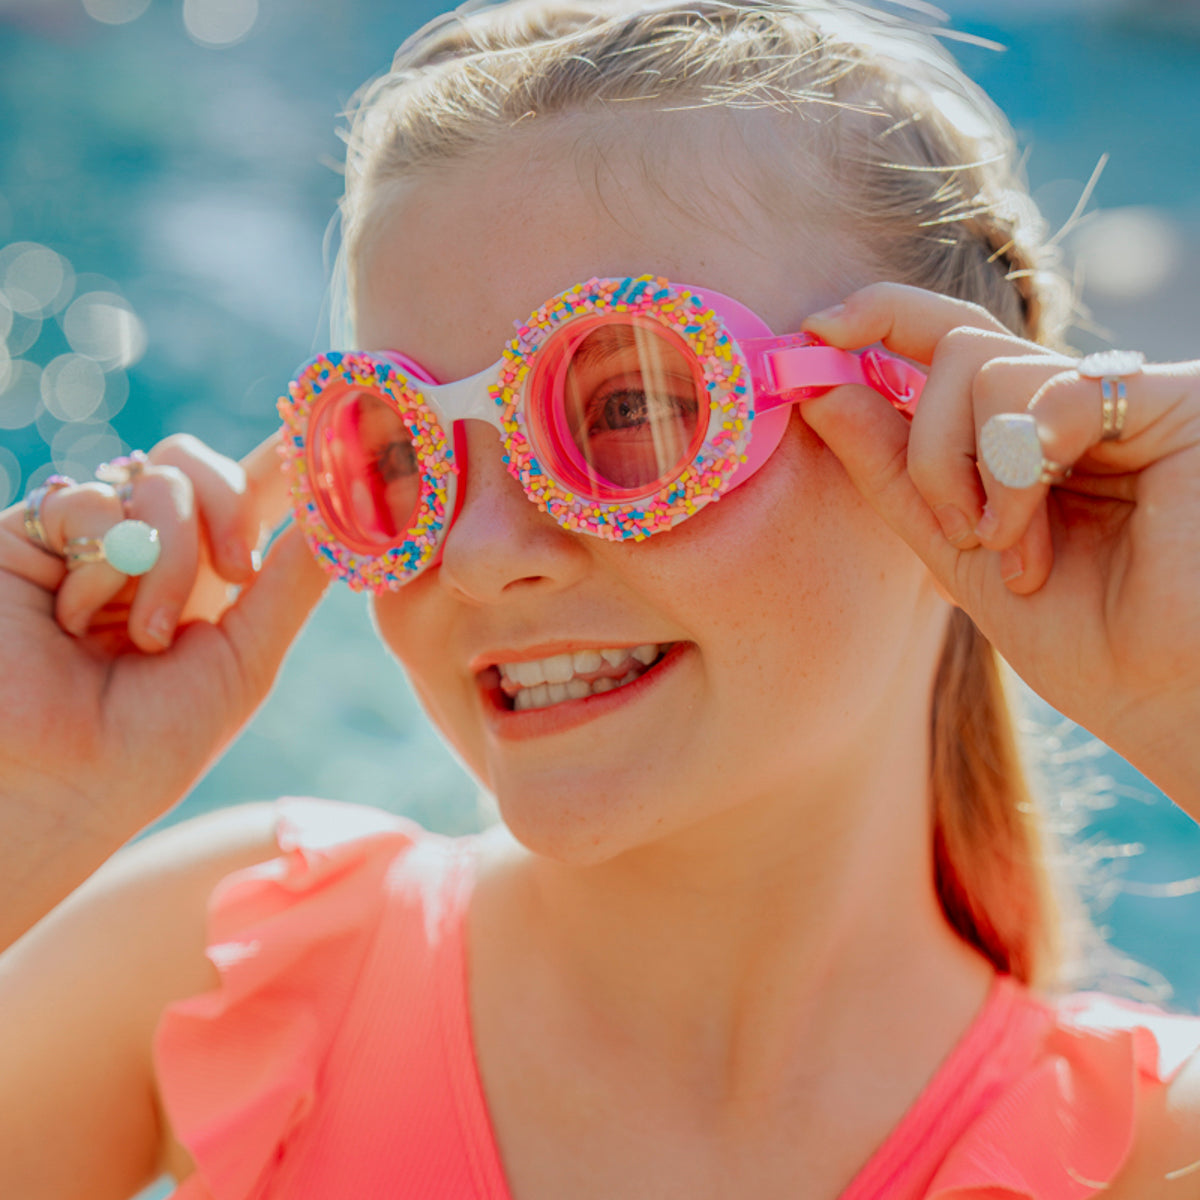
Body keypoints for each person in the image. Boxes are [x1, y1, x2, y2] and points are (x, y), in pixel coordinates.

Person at [2, 0, 1200, 1196]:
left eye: (634, 408)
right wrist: (26, 817)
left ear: (952, 434)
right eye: (407, 452)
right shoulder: (230, 961)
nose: (473, 553)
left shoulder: (1136, 1154)